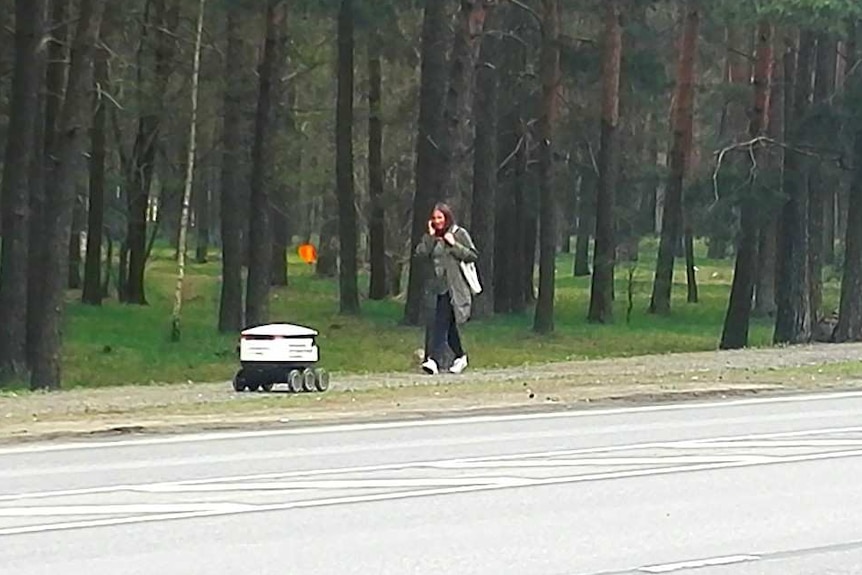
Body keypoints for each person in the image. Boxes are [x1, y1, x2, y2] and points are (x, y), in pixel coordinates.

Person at [413, 202, 479, 375]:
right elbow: (420, 254)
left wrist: (454, 245)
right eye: (434, 218)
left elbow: (472, 255)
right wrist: (430, 237)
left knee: (441, 322)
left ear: (447, 217)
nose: (437, 221)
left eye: (440, 217)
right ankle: (460, 356)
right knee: (448, 327)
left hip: (455, 288)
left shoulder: (459, 233)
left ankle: (433, 360)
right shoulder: (431, 237)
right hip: (438, 288)